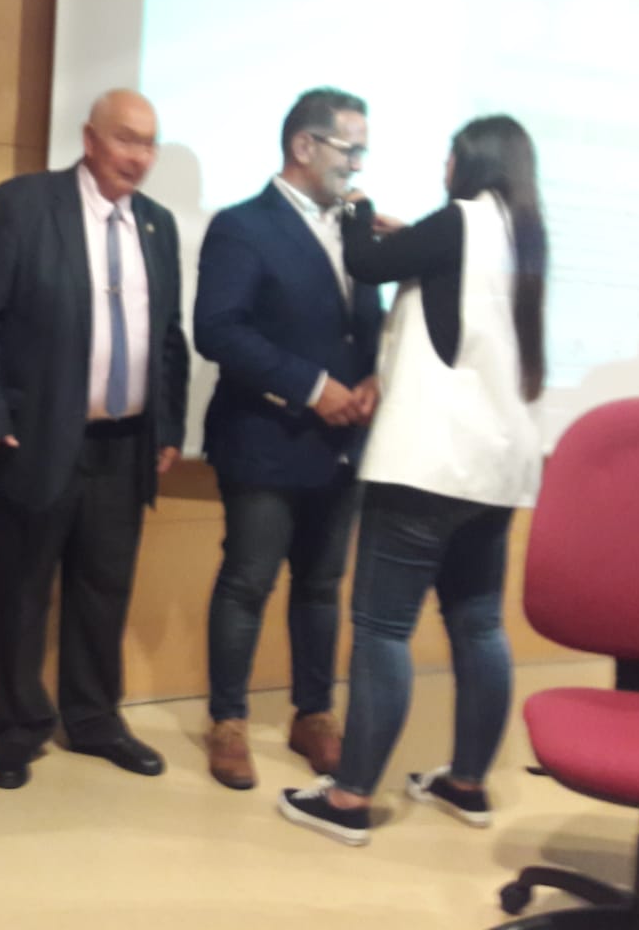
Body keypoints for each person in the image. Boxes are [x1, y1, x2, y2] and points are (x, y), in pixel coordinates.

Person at [278, 115, 547, 846]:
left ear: (472, 162)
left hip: (428, 465)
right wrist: (410, 240)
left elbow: (366, 263)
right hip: (496, 469)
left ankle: (349, 799)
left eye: (450, 157)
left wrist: (359, 209)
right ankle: (467, 782)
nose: (443, 170)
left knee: (382, 629)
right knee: (479, 623)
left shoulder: (460, 220)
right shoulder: (521, 232)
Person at [0, 89, 189, 790]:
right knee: (19, 590)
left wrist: (169, 426)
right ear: (89, 139)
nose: (139, 157)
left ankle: (94, 720)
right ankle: (17, 725)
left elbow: (168, 338)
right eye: (126, 140)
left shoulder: (158, 225)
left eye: (149, 144)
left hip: (125, 445)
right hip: (32, 439)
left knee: (103, 589)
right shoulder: (24, 205)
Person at [194, 88, 383, 790]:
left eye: (363, 151)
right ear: (304, 145)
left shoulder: (358, 228)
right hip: (264, 440)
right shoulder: (243, 225)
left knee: (322, 585)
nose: (358, 164)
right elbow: (218, 329)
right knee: (247, 582)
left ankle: (314, 714)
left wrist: (377, 378)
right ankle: (228, 722)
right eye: (350, 149)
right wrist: (312, 387)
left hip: (343, 445)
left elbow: (369, 324)